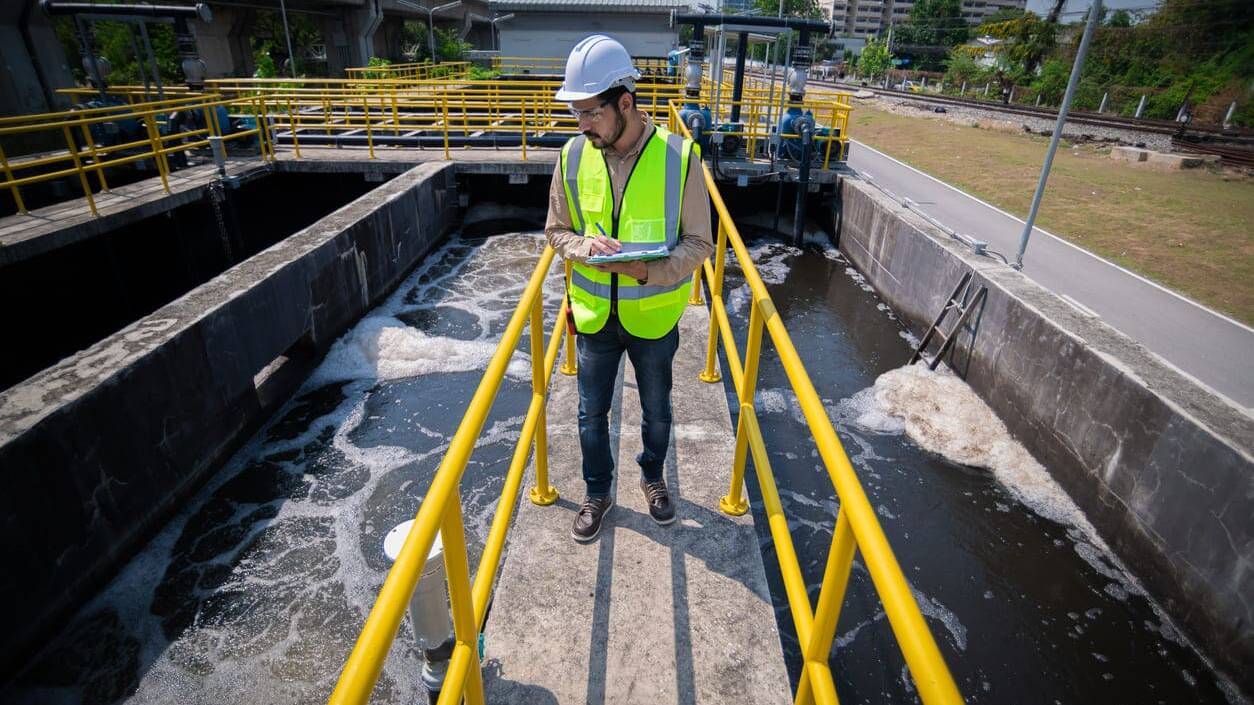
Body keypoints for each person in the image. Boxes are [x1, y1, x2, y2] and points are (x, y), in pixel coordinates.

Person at [545, 34, 714, 543]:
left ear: (625, 102)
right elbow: (556, 231)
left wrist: (646, 272)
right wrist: (584, 247)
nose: (582, 124)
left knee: (657, 412)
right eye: (576, 113)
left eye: (590, 113)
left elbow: (700, 244)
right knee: (589, 414)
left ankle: (653, 477)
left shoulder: (680, 158)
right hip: (594, 316)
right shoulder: (572, 156)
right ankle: (597, 492)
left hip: (654, 318)